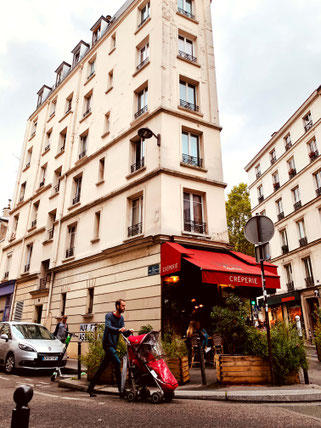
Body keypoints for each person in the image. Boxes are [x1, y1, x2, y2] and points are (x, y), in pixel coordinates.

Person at [87, 299, 133, 398]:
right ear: (117, 306)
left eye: (124, 306)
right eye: (122, 306)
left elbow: (123, 332)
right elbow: (108, 327)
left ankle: (90, 388)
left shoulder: (121, 319)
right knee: (117, 362)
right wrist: (118, 329)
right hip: (107, 344)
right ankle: (121, 391)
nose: (124, 307)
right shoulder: (108, 316)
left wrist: (128, 331)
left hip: (113, 345)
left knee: (102, 367)